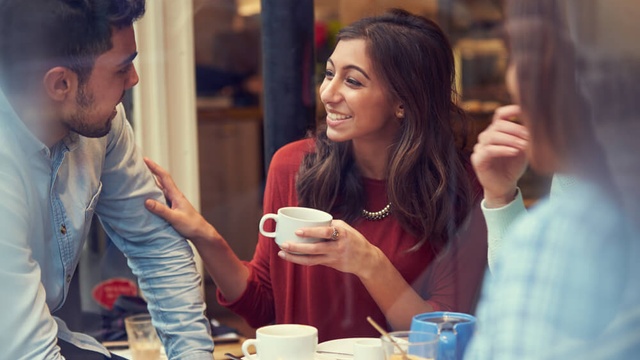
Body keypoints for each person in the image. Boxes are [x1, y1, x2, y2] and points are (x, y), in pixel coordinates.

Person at [144, 8, 487, 342]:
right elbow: (264, 306)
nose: (328, 94)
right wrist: (205, 237)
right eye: (329, 73)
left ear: (403, 101)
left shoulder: (459, 187)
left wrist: (369, 263)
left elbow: (442, 339)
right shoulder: (294, 166)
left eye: (352, 81)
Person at [0, 0, 214, 359]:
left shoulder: (100, 127)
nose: (134, 79)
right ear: (61, 83)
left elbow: (154, 245)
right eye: (121, 69)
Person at [465, 0, 640, 358]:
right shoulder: (587, 188)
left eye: (519, 53)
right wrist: (501, 197)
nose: (511, 79)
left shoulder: (576, 221)